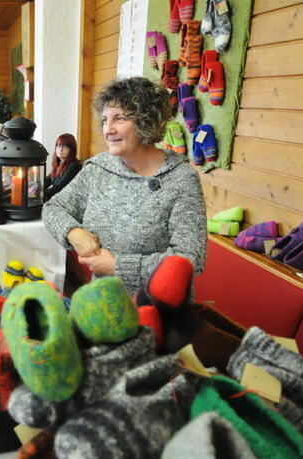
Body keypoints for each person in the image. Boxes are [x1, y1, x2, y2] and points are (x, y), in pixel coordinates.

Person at [42, 76, 207, 295]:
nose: (108, 129)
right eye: (104, 120)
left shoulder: (180, 178)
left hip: (158, 310)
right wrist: (73, 232)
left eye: (119, 119)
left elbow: (190, 258)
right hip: (103, 303)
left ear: (146, 121)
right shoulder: (98, 169)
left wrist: (118, 266)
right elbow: (53, 208)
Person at [44, 133, 82, 201]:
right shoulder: (59, 163)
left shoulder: (74, 165)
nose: (60, 149)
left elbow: (59, 187)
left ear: (72, 149)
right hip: (59, 198)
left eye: (65, 147)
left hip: (68, 201)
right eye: (58, 146)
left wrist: (41, 194)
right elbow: (48, 180)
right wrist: (36, 188)